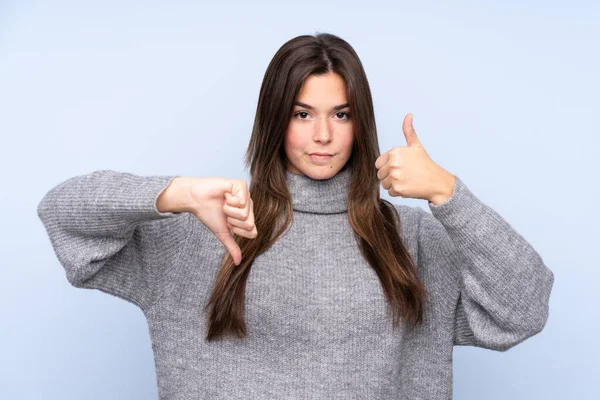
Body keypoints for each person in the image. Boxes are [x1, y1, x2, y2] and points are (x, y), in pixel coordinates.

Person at [37, 32, 554, 399]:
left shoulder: (408, 239)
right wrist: (177, 193)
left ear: (361, 123)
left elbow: (524, 308)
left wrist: (447, 192)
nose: (323, 135)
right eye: (302, 113)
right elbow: (63, 217)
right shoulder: (209, 226)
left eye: (341, 114)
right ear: (275, 118)